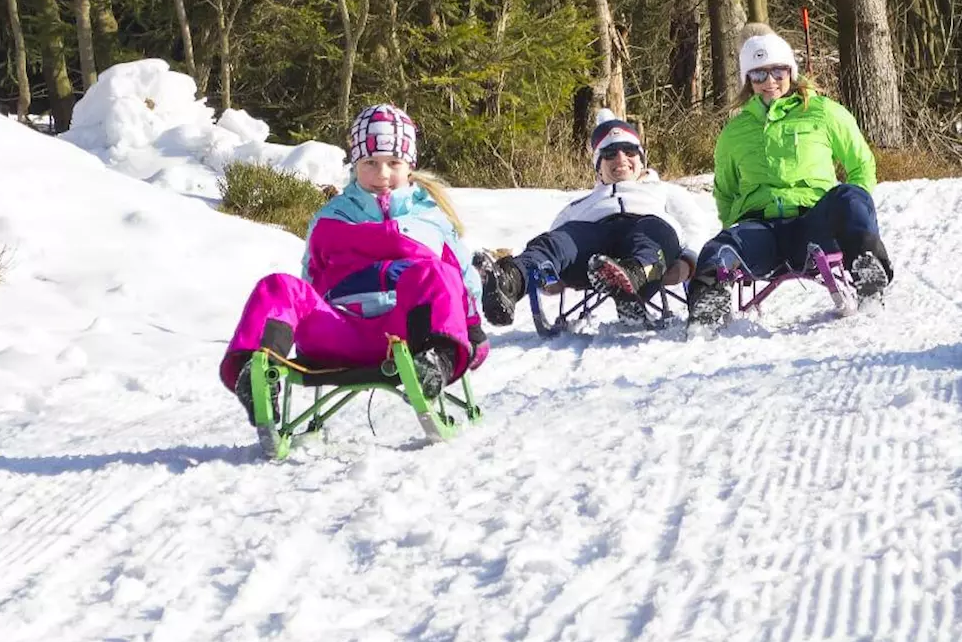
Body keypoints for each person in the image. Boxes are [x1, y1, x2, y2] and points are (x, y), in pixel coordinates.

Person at [220, 104, 489, 425]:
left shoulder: (431, 220)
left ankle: (436, 364)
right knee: (277, 285)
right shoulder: (330, 218)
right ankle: (256, 373)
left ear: (410, 165)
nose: (382, 174)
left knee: (436, 272)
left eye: (393, 163)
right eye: (370, 163)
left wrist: (472, 331)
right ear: (355, 163)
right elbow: (309, 282)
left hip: (406, 334)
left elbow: (460, 281)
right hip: (338, 331)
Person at [686, 26, 894, 328]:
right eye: (759, 75)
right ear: (748, 79)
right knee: (719, 248)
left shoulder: (823, 112)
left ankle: (868, 270)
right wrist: (737, 226)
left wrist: (852, 214)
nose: (769, 81)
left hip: (814, 224)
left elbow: (861, 163)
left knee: (849, 195)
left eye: (778, 71)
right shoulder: (735, 132)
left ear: (791, 72)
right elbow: (725, 190)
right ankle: (707, 309)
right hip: (761, 230)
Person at [479, 111, 714, 327]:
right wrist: (552, 281)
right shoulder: (579, 206)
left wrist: (687, 262)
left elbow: (694, 225)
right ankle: (510, 281)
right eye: (610, 154)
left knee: (655, 231)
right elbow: (555, 249)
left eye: (629, 151)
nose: (621, 158)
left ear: (642, 160)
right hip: (593, 248)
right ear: (598, 167)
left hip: (648, 236)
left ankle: (631, 282)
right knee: (559, 239)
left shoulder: (664, 191)